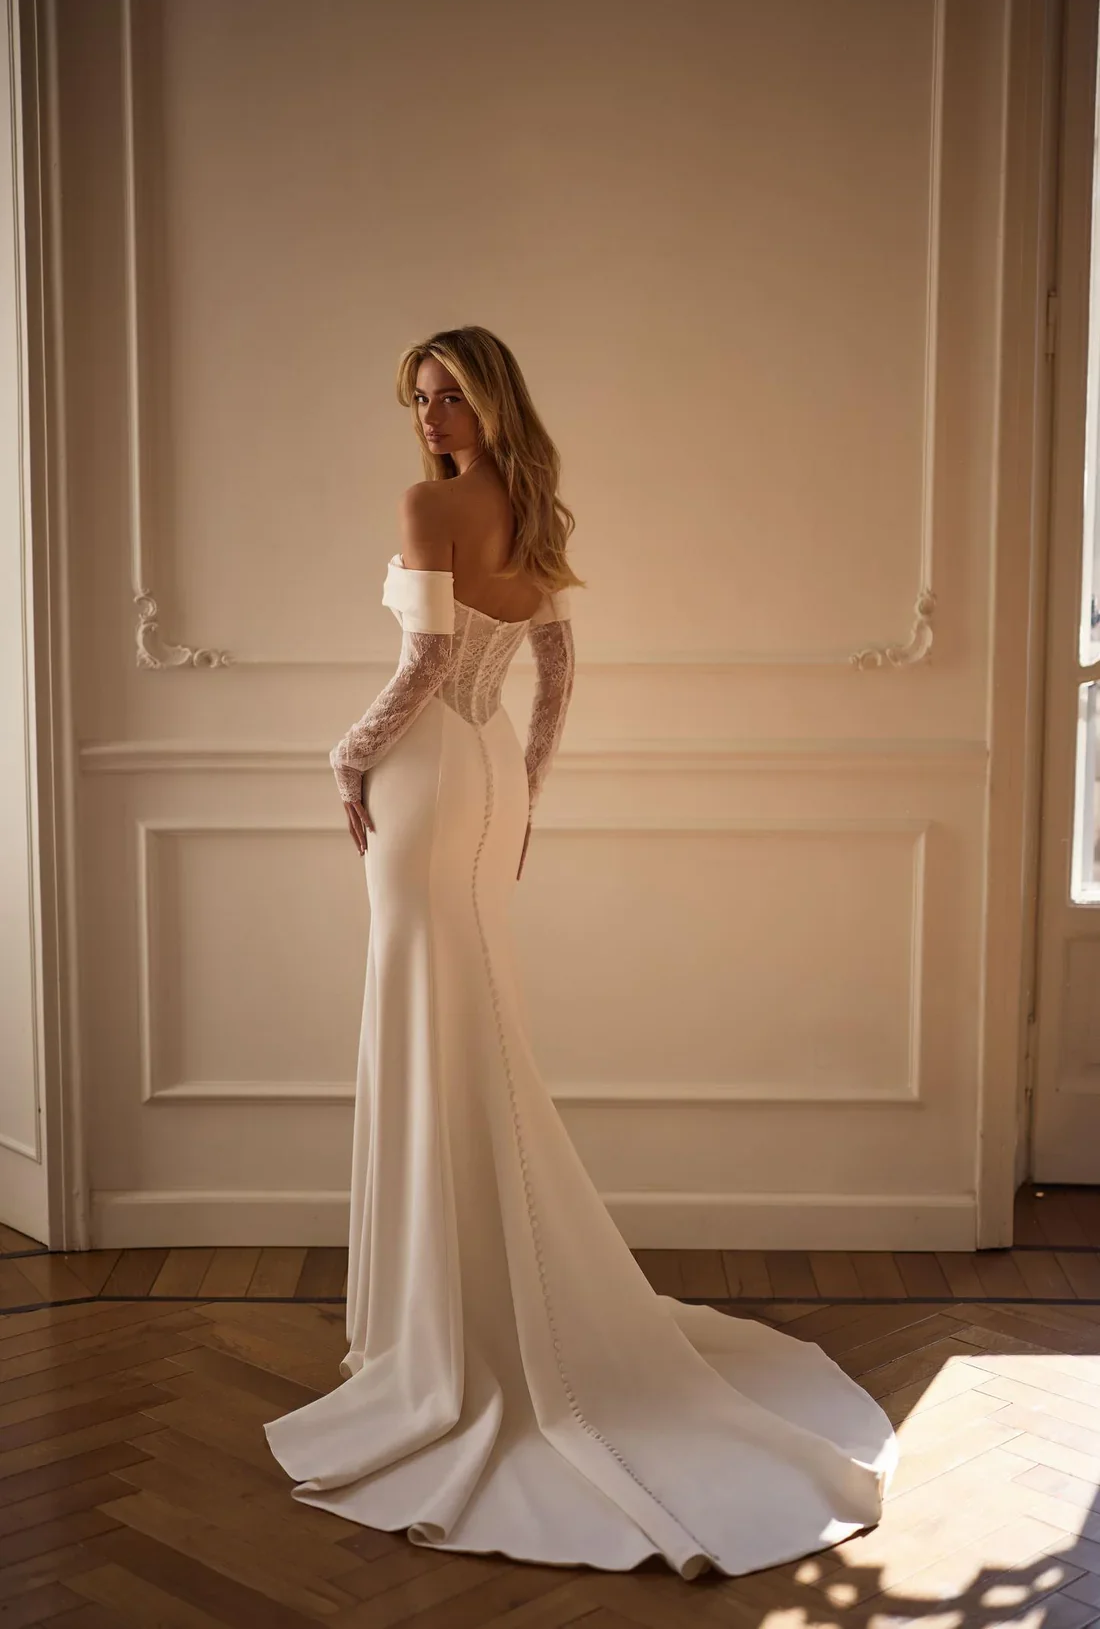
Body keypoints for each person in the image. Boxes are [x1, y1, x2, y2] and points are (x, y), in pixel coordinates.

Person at [263, 326, 897, 1579]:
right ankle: (471, 1306)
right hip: (484, 776)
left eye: (450, 393)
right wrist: (527, 789)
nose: (432, 415)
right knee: (470, 1018)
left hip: (428, 774)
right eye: (419, 397)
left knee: (429, 1015)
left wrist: (343, 754)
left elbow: (426, 665)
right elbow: (550, 668)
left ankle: (444, 1335)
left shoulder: (428, 504)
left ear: (491, 397)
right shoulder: (528, 503)